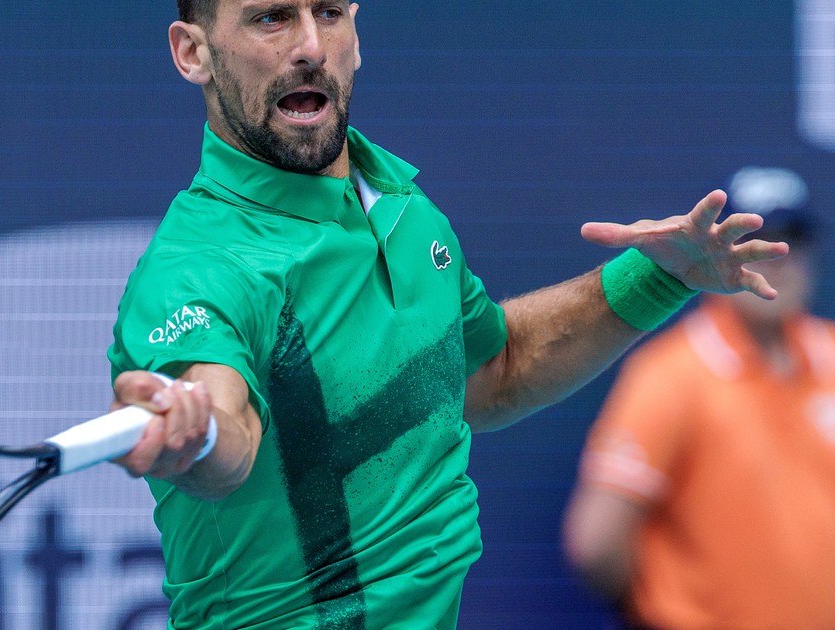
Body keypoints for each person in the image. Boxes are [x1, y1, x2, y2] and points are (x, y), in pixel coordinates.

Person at [105, 2, 788, 628]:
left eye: (329, 12)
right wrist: (194, 432)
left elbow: (493, 373)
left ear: (356, 34)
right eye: (271, 18)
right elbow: (226, 432)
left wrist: (660, 277)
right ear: (193, 53)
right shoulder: (197, 270)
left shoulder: (399, 206)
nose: (310, 45)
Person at [562, 167, 835, 630]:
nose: (778, 259)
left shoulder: (830, 354)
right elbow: (597, 543)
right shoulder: (672, 375)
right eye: (757, 244)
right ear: (719, 255)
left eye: (792, 243)